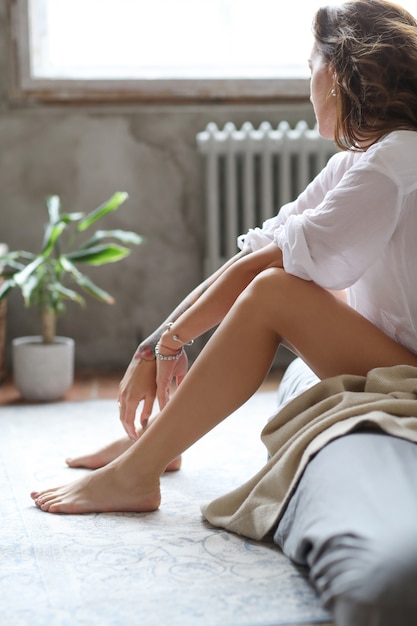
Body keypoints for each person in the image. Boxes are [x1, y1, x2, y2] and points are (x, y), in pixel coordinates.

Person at [31, 1, 417, 623]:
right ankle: (160, 444)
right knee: (282, 279)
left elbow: (264, 272)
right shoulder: (363, 160)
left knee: (275, 294)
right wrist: (161, 342)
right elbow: (264, 244)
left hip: (411, 370)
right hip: (396, 344)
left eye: (309, 65)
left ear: (343, 72)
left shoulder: (397, 161)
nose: (306, 80)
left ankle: (139, 470)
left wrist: (165, 341)